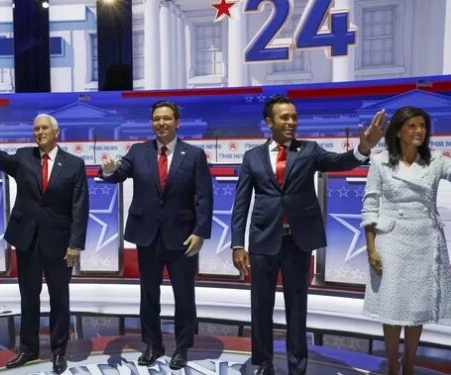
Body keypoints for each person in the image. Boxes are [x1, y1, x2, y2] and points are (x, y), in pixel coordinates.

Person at [230, 95, 385, 375]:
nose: (291, 122)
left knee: (297, 308)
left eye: (294, 117)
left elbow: (341, 162)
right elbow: (241, 203)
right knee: (260, 307)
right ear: (269, 122)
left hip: (298, 241)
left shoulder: (310, 150)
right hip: (263, 240)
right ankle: (263, 363)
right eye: (284, 117)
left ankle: (297, 366)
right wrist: (238, 243)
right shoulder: (251, 156)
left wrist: (364, 147)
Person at [0, 98, 88, 374]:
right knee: (28, 297)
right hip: (27, 240)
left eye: (44, 128)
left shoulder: (74, 164)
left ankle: (58, 351)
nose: (39, 133)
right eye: (36, 129)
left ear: (57, 132)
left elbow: (80, 205)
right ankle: (28, 350)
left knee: (59, 299)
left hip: (59, 243)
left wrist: (76, 244)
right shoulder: (23, 157)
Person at [100, 100, 213, 370]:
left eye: (166, 118)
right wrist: (108, 170)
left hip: (182, 238)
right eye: (156, 119)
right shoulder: (138, 151)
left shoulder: (194, 155)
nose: (160, 123)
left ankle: (182, 347)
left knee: (184, 296)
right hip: (147, 236)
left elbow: (204, 198)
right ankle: (153, 344)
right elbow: (119, 174)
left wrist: (200, 232)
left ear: (177, 122)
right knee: (148, 295)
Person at [362, 106, 451, 375]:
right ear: (398, 131)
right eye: (412, 126)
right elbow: (370, 204)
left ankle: (409, 363)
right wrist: (371, 248)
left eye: (422, 125)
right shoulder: (380, 160)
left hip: (425, 240)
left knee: (415, 307)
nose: (419, 131)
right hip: (391, 240)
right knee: (392, 306)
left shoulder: (436, 160)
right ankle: (392, 364)